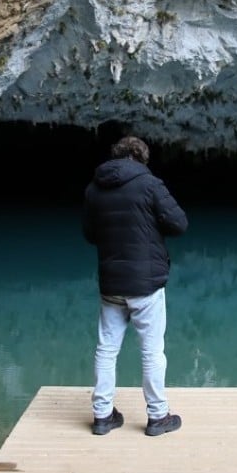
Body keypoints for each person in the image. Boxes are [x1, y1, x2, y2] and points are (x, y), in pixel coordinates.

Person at [82, 136, 188, 436]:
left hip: (111, 282)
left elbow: (89, 234)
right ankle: (158, 417)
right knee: (152, 351)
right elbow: (179, 224)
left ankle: (102, 416)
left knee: (106, 349)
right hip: (146, 283)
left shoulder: (94, 188)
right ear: (141, 159)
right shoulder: (150, 185)